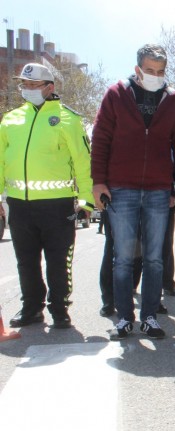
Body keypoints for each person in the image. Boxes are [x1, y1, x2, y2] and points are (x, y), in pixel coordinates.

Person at [91, 44, 175, 340]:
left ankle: (149, 317)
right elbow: (101, 139)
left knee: (154, 258)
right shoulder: (116, 94)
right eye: (150, 71)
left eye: (161, 72)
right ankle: (124, 318)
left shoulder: (173, 100)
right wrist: (99, 181)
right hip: (121, 188)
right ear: (137, 70)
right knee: (122, 257)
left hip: (160, 191)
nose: (155, 76)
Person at [0, 63, 93, 329]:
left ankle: (60, 308)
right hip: (20, 204)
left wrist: (86, 200)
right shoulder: (11, 119)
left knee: (58, 261)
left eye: (33, 85)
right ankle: (32, 307)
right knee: (26, 261)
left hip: (57, 205)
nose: (26, 89)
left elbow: (83, 162)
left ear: (49, 87)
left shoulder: (68, 119)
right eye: (24, 85)